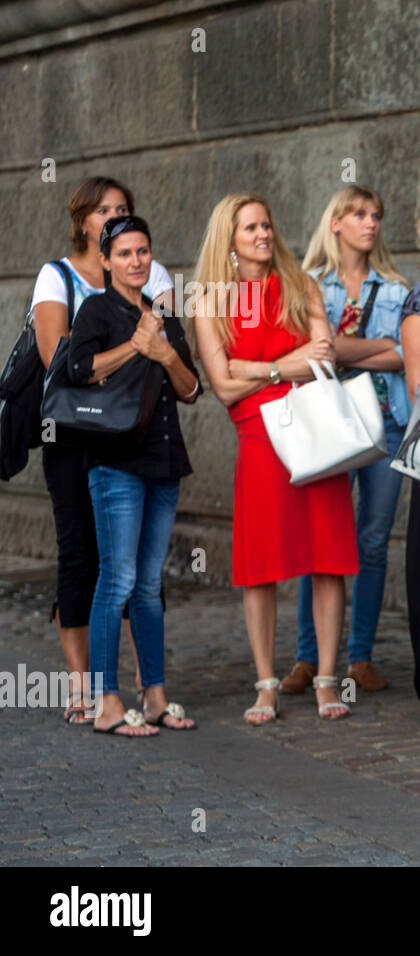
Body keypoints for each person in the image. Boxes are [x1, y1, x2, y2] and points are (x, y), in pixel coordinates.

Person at [192, 193, 358, 723]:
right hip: (260, 441)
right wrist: (284, 366)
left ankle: (327, 680)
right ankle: (266, 684)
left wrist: (255, 368)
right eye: (250, 228)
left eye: (266, 224)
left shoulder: (301, 285)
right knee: (260, 565)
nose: (263, 233)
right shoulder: (210, 300)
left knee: (328, 560)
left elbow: (324, 357)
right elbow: (221, 387)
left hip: (316, 437)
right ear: (229, 239)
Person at [29, 177, 175, 725]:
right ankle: (81, 683)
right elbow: (56, 358)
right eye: (104, 210)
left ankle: (145, 679)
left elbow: (170, 342)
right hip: (73, 435)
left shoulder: (150, 272)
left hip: (135, 433)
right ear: (84, 220)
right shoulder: (58, 275)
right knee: (80, 554)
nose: (116, 216)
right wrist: (126, 350)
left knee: (136, 565)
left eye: (124, 210)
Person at [66, 216, 200, 736]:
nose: (136, 261)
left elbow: (191, 391)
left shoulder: (164, 314)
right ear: (106, 260)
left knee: (148, 584)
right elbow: (78, 372)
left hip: (164, 461)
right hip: (115, 462)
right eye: (124, 253)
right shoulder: (96, 310)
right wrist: (134, 346)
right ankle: (106, 703)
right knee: (116, 579)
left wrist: (164, 351)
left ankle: (156, 696)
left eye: (143, 251)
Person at [284, 186, 410, 695]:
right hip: (328, 428)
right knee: (322, 544)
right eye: (359, 214)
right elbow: (312, 352)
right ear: (335, 222)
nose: (370, 223)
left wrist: (344, 350)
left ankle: (360, 657)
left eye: (376, 215)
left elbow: (405, 356)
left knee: (374, 543)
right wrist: (375, 346)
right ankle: (308, 657)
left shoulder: (398, 288)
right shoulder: (306, 284)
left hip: (386, 425)